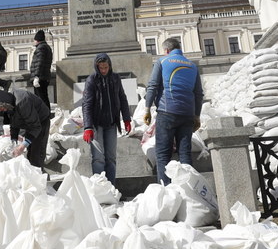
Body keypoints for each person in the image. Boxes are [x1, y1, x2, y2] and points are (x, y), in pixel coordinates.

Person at [143, 38, 204, 185]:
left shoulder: (163, 62)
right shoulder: (192, 65)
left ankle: (166, 191)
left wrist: (147, 109)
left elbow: (152, 86)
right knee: (185, 154)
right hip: (187, 114)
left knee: (163, 154)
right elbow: (198, 93)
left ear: (166, 50)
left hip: (167, 111)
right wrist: (197, 115)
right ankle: (189, 190)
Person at [82, 53, 131, 184]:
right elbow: (86, 104)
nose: (103, 70)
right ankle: (99, 188)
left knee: (111, 158)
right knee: (98, 158)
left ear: (110, 66)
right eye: (101, 68)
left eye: (106, 67)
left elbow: (122, 98)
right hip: (96, 125)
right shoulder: (91, 80)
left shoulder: (115, 78)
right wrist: (87, 127)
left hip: (111, 123)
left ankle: (111, 188)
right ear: (97, 67)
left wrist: (126, 119)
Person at [0, 89, 50, 170]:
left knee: (36, 152)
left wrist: (21, 147)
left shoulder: (22, 102)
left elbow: (35, 127)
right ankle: (32, 174)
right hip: (30, 121)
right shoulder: (9, 105)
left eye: (0, 108)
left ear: (3, 102)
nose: (1, 110)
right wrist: (14, 141)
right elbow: (14, 123)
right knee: (30, 151)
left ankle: (41, 178)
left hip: (41, 121)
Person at [29, 29, 53, 108]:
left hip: (40, 78)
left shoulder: (41, 48)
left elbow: (40, 62)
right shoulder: (46, 47)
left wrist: (36, 76)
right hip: (44, 77)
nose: (34, 42)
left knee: (40, 99)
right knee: (44, 97)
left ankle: (44, 117)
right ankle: (46, 115)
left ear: (37, 40)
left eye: (35, 40)